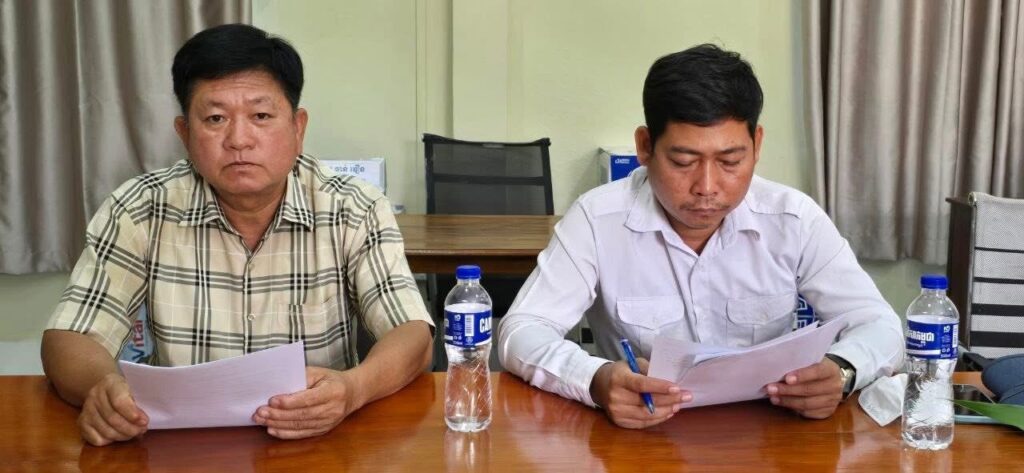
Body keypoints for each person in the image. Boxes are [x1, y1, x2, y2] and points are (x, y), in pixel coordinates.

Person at [40, 24, 433, 446]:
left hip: (318, 439)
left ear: (298, 128)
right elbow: (70, 336)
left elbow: (411, 333)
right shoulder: (139, 208)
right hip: (178, 442)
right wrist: (103, 389)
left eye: (261, 116)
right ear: (184, 134)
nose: (239, 140)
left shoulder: (353, 208)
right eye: (215, 118)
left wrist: (354, 389)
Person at [497, 44, 904, 429]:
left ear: (756, 145)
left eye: (730, 161)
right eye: (683, 161)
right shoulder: (598, 220)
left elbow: (879, 324)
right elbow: (522, 330)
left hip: (771, 435)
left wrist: (842, 370)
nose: (706, 187)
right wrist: (596, 379)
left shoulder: (793, 219)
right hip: (641, 435)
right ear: (644, 146)